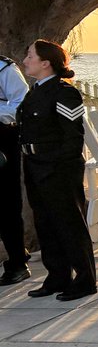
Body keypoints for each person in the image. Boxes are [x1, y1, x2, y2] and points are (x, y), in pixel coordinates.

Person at [17, 41, 96, 301]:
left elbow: (73, 137)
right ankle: (57, 277)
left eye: (30, 55)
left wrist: (60, 168)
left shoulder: (64, 93)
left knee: (70, 225)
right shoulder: (34, 92)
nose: (25, 59)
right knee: (46, 224)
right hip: (34, 166)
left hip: (58, 169)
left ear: (45, 62)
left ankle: (84, 280)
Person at [0, 51, 30, 286]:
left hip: (3, 138)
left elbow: (22, 104)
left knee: (6, 205)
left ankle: (18, 263)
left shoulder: (5, 69)